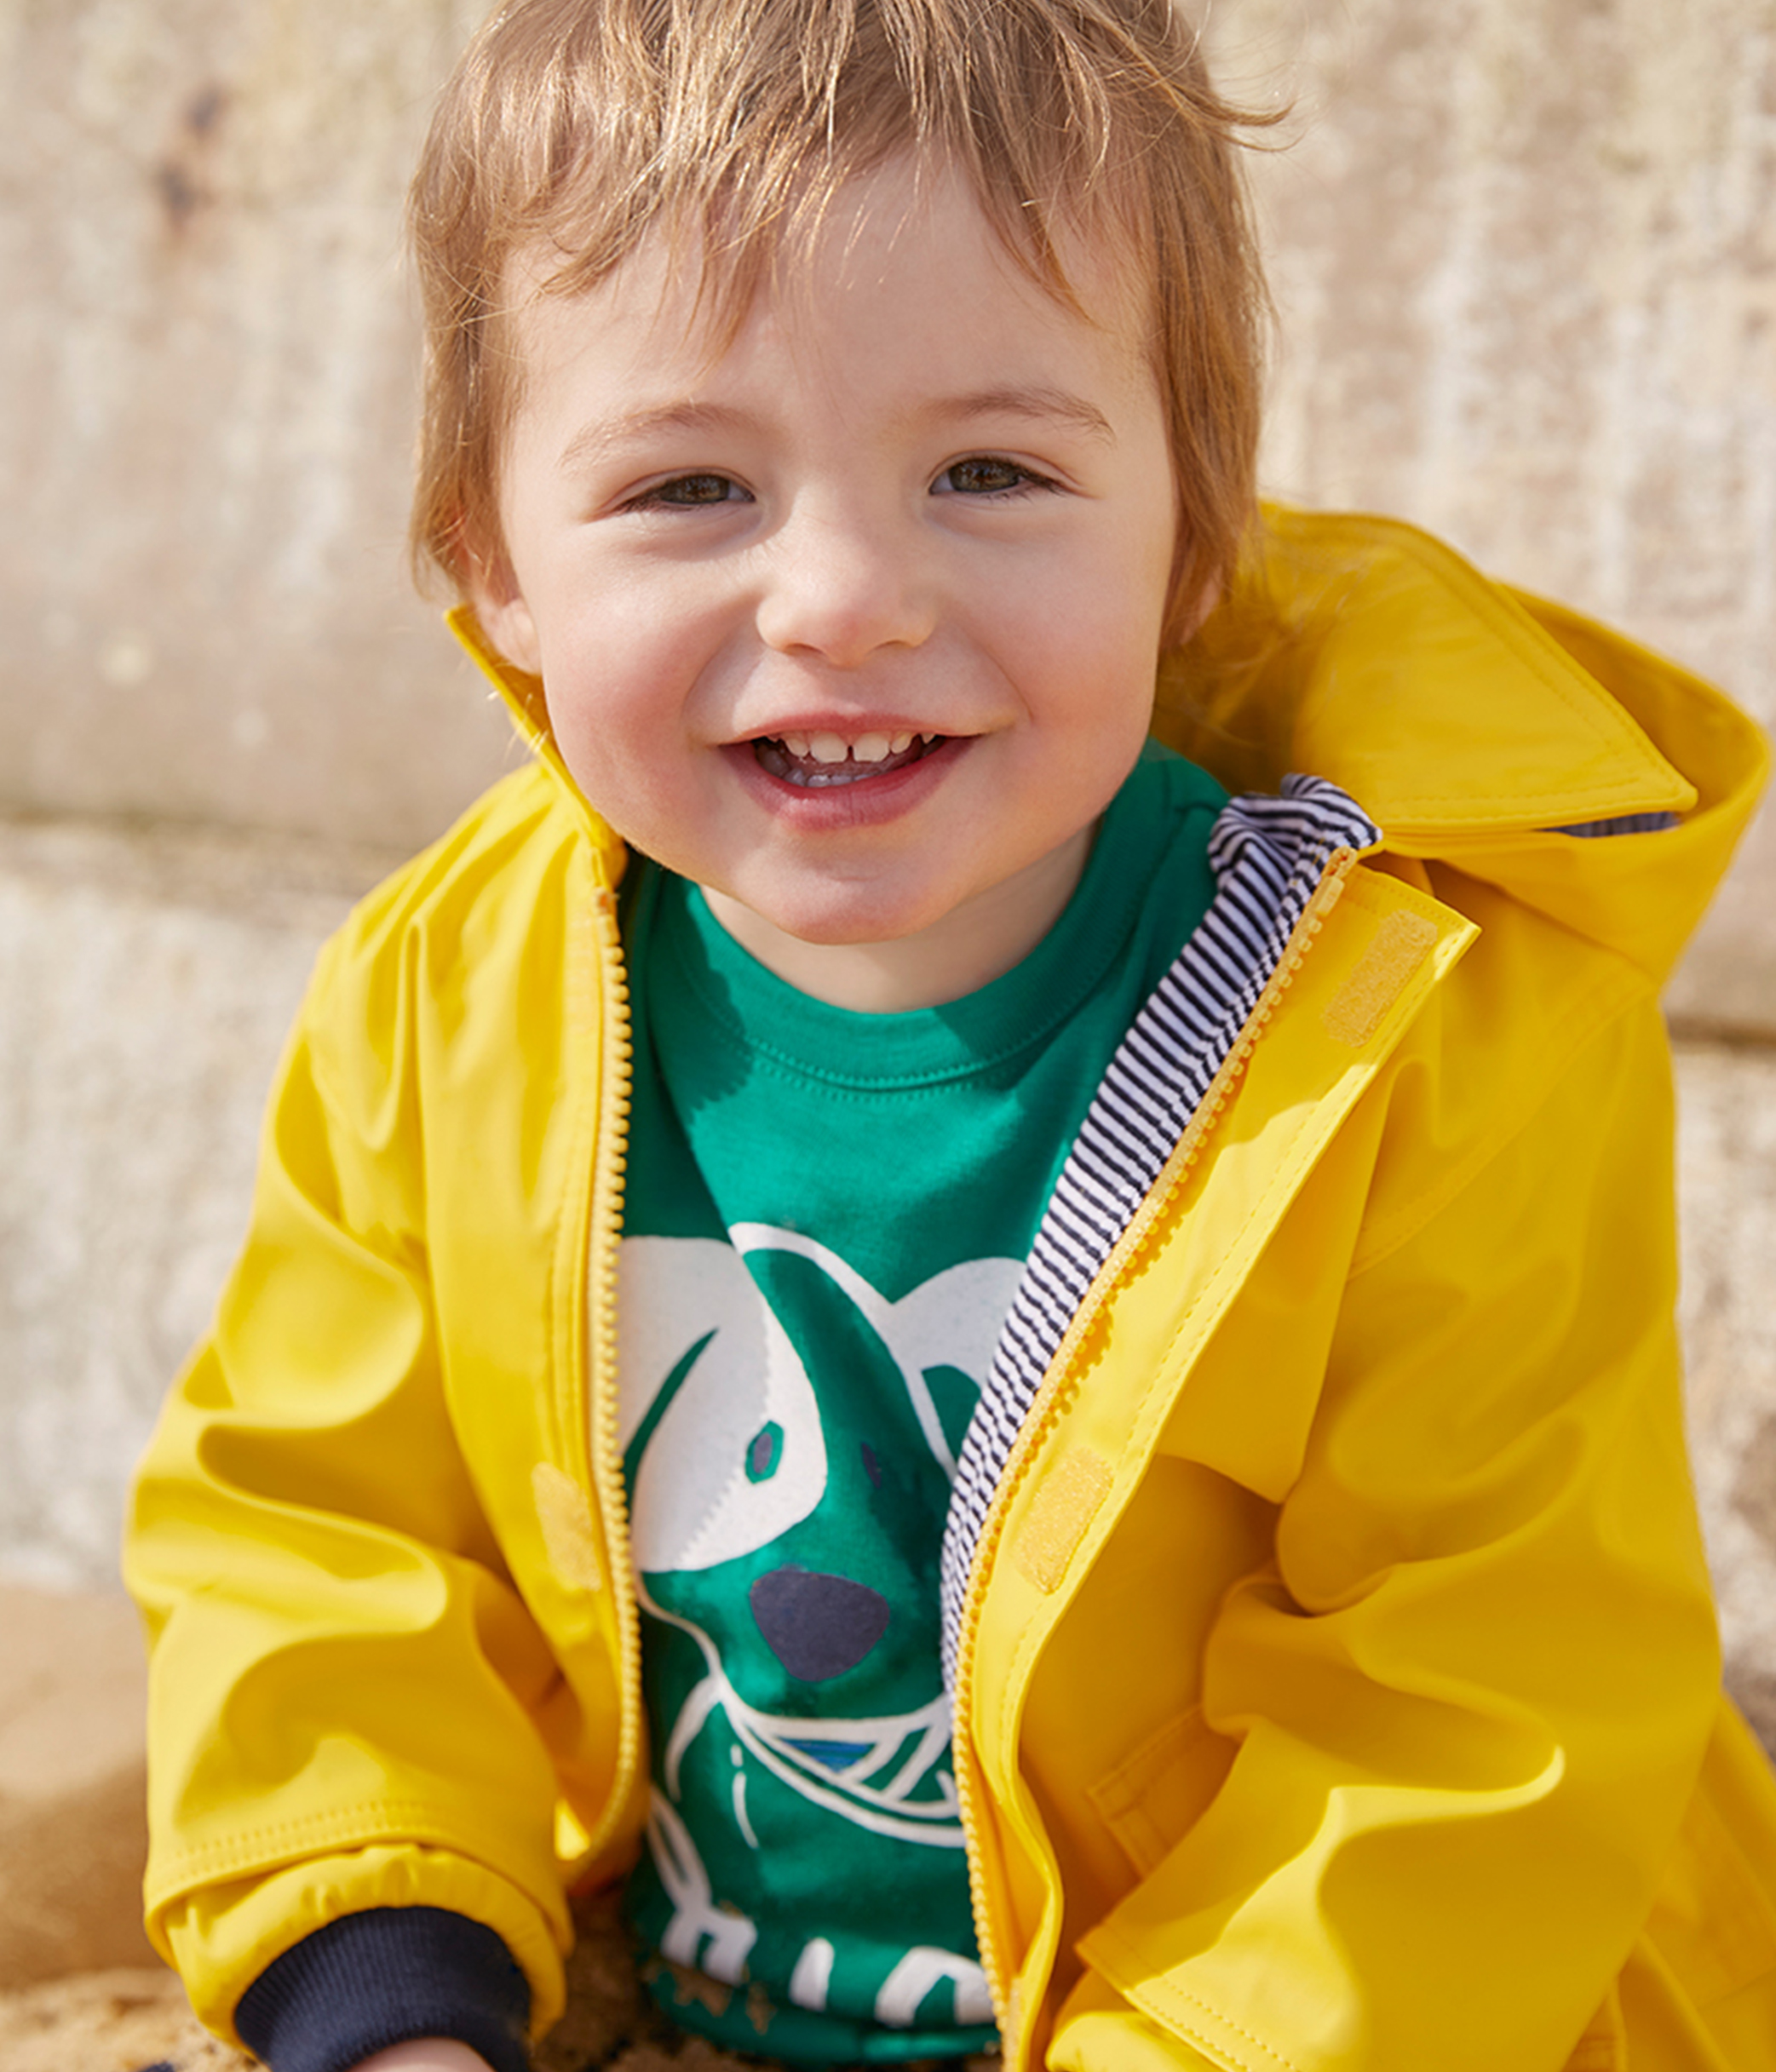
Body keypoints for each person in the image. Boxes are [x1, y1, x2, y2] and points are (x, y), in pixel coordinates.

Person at [124, 1, 1776, 2069]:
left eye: (988, 468)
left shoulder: (1412, 1025)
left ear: (1194, 529)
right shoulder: (451, 990)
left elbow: (1477, 1705)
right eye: (687, 483)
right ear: (492, 564)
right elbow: (326, 1538)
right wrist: (389, 2000)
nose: (842, 595)